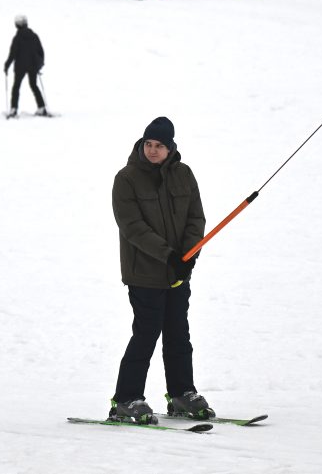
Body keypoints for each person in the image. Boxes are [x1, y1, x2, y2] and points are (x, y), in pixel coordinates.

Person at [108, 116, 214, 424]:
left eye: (159, 146)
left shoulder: (184, 174)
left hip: (178, 271)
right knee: (147, 333)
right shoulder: (126, 178)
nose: (153, 151)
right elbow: (132, 227)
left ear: (171, 148)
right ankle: (126, 399)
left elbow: (196, 217)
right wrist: (168, 255)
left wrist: (189, 254)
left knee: (179, 333)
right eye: (149, 145)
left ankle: (182, 394)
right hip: (144, 272)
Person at [3, 15, 47, 118]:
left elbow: (12, 54)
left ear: (17, 25)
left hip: (20, 67)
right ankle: (42, 107)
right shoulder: (34, 36)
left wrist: (7, 65)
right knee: (34, 85)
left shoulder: (17, 38)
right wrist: (39, 64)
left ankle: (14, 109)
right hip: (33, 66)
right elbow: (40, 51)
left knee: (16, 87)